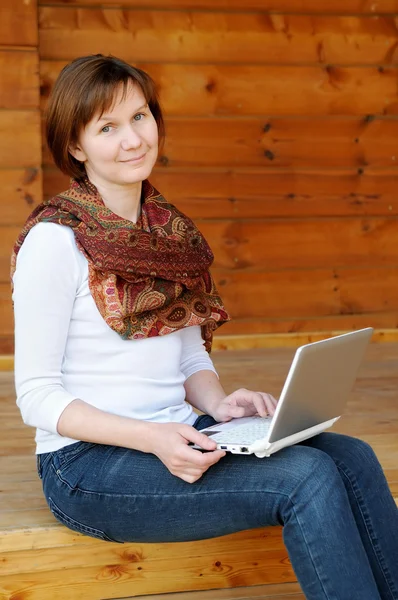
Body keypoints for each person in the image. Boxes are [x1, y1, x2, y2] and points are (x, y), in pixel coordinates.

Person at [11, 54, 398, 600]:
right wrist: (150, 437)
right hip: (88, 467)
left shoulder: (171, 234)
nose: (133, 140)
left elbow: (188, 357)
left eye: (140, 117)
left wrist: (219, 406)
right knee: (306, 479)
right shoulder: (55, 241)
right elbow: (36, 396)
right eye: (107, 127)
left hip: (183, 430)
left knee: (351, 456)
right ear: (76, 147)